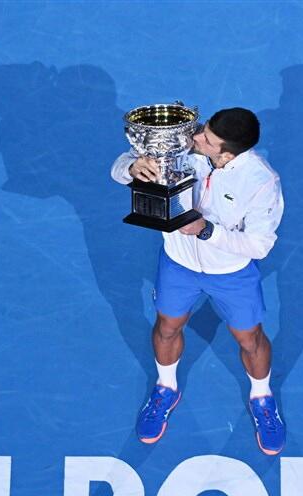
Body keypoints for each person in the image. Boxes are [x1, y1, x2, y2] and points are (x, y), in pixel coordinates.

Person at [110, 107, 286, 455]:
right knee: (167, 327)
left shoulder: (262, 182)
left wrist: (206, 231)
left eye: (206, 139)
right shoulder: (184, 145)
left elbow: (260, 245)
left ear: (227, 153)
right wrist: (131, 168)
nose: (196, 138)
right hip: (178, 264)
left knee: (250, 339)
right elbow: (119, 166)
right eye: (203, 130)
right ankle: (165, 387)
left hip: (230, 273)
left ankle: (262, 397)